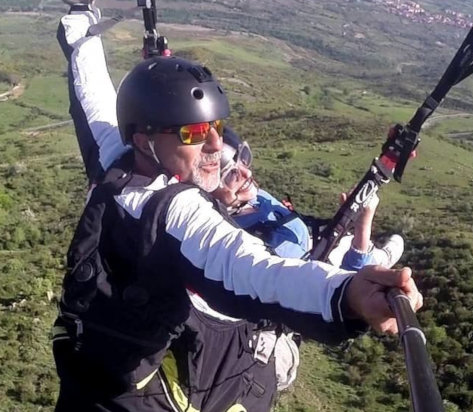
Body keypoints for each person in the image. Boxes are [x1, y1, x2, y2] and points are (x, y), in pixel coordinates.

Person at [53, 4, 422, 411]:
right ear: (146, 141)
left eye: (216, 127)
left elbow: (91, 91)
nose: (214, 146)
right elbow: (251, 271)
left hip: (91, 388)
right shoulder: (175, 214)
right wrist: (345, 295)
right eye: (194, 132)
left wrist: (81, 23)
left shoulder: (115, 161)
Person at [213, 128, 406, 271]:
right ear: (211, 191)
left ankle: (367, 252)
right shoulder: (260, 249)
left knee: (344, 239)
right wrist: (363, 226)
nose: (247, 173)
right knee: (357, 251)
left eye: (244, 158)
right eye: (231, 174)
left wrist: (387, 159)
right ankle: (375, 261)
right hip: (325, 264)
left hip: (312, 241)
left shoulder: (248, 198)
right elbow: (343, 287)